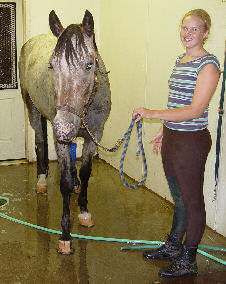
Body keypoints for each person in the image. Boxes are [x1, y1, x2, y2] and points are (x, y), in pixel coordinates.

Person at [132, 9, 220, 278]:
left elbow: (195, 110)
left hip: (191, 142)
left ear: (206, 33)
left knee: (192, 201)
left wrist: (153, 113)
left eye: (194, 29)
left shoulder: (209, 66)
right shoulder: (180, 59)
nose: (188, 34)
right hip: (173, 138)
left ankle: (188, 258)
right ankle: (173, 246)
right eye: (184, 28)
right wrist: (163, 128)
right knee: (179, 198)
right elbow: (177, 102)